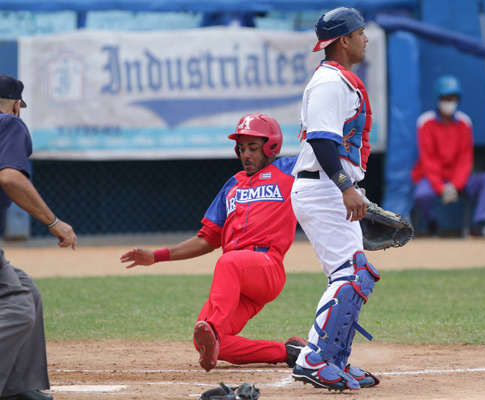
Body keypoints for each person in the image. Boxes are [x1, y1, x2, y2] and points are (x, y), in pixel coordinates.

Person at [120, 113, 306, 372]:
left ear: (271, 147)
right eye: (241, 148)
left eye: (253, 148)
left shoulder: (289, 170)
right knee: (214, 344)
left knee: (228, 265)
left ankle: (214, 329)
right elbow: (206, 239)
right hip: (238, 280)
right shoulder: (232, 185)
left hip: (266, 268)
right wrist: (157, 256)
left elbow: (320, 148)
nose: (246, 155)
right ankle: (290, 352)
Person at [290, 7, 380, 391]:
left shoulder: (337, 80)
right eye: (360, 33)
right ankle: (315, 358)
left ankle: (334, 358)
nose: (365, 39)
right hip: (323, 186)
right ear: (343, 40)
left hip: (328, 186)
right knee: (350, 274)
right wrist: (346, 187)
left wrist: (349, 188)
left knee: (353, 274)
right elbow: (322, 141)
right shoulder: (330, 82)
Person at [0, 74, 78, 400]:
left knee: (28, 292)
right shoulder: (9, 123)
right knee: (18, 309)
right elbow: (10, 178)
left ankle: (15, 388)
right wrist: (53, 222)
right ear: (17, 105)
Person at [411, 75, 485, 238]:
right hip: (432, 178)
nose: (449, 102)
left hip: (459, 180)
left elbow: (465, 159)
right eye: (446, 98)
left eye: (453, 98)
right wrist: (440, 187)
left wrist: (455, 185)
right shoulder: (425, 122)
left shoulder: (465, 122)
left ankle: (478, 226)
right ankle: (432, 223)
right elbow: (429, 159)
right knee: (422, 194)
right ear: (438, 98)